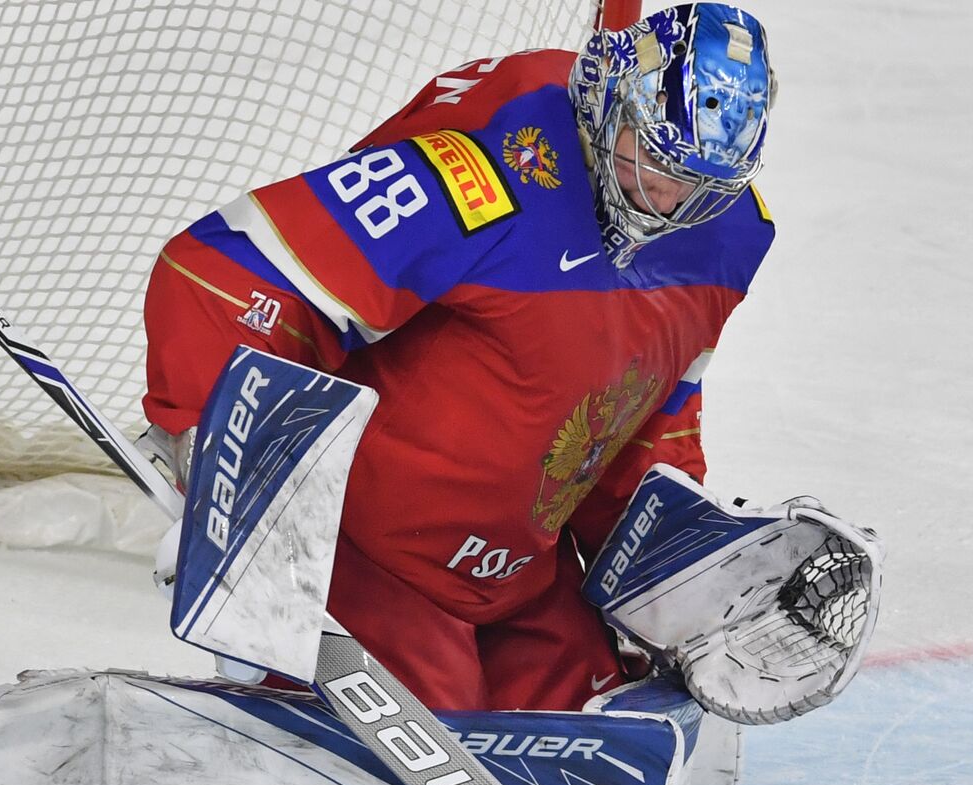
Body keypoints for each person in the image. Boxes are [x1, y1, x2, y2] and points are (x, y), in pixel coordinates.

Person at [141, 4, 777, 713]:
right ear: (607, 97)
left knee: (614, 768)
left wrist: (676, 563)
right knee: (418, 774)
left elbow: (645, 405)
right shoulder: (485, 166)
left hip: (521, 575)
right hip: (365, 557)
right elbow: (227, 273)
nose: (666, 198)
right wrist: (225, 485)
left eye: (697, 181)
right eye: (652, 156)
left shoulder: (727, 235)